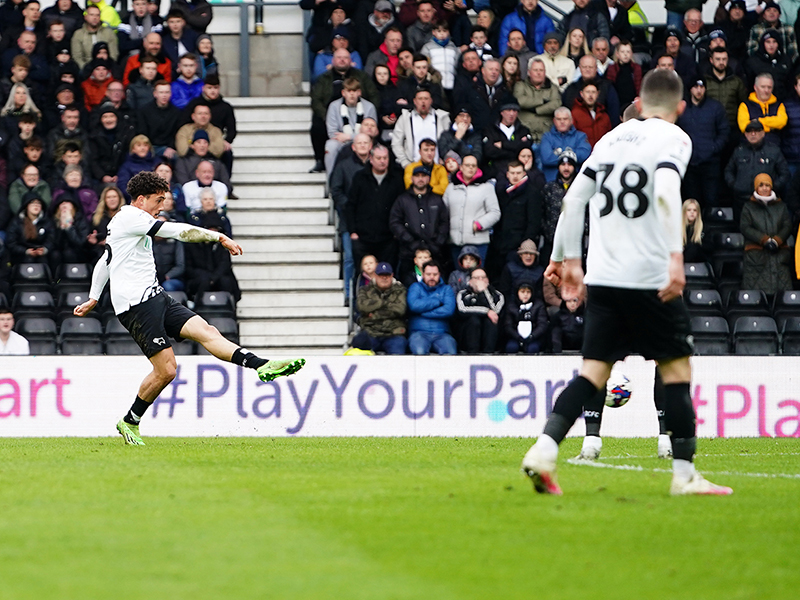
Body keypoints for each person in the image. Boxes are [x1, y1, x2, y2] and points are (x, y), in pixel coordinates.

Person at [521, 69, 733, 496]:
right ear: (679, 107)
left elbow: (572, 200)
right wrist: (676, 258)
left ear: (638, 100)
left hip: (603, 277)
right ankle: (684, 475)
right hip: (649, 276)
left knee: (592, 373)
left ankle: (544, 450)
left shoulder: (610, 140)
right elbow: (668, 187)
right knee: (676, 371)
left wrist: (564, 260)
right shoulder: (673, 138)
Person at [72, 171, 305, 446]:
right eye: (159, 200)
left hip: (155, 296)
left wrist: (94, 297)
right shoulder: (131, 218)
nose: (162, 206)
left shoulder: (125, 221)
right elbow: (177, 231)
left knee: (206, 330)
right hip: (135, 305)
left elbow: (106, 260)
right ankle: (130, 420)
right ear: (141, 199)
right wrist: (217, 237)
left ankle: (262, 365)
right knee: (167, 370)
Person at [344, 145, 405, 274]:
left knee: (387, 274)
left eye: (385, 158)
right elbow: (350, 205)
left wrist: (396, 233)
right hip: (362, 238)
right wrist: (353, 231)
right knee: (363, 276)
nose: (382, 161)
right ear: (371, 159)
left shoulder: (397, 179)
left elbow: (402, 207)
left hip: (388, 239)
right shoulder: (360, 177)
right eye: (378, 158)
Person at [676, 77, 729, 206]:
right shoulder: (681, 108)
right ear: (690, 89)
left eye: (702, 87)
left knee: (712, 200)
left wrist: (713, 148)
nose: (699, 90)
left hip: (710, 163)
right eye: (696, 87)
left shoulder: (715, 107)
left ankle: (711, 226)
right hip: (688, 163)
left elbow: (724, 131)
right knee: (691, 203)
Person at [391, 163, 450, 278]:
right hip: (408, 252)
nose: (420, 179)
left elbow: (444, 223)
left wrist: (437, 243)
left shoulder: (437, 200)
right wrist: (409, 240)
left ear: (429, 179)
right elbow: (395, 222)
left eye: (423, 176)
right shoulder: (402, 200)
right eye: (417, 176)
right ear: (412, 178)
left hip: (434, 252)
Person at [724, 120, 790, 221]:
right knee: (740, 231)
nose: (753, 134)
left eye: (756, 131)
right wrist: (734, 185)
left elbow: (784, 173)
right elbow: (728, 170)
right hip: (741, 199)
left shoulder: (773, 151)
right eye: (749, 132)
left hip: (765, 201)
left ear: (763, 133)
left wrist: (772, 187)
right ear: (745, 134)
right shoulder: (739, 151)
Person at [443, 153, 501, 266]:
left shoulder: (486, 187)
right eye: (467, 165)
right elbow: (444, 211)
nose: (470, 168)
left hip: (478, 242)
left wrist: (478, 224)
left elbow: (495, 212)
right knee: (458, 277)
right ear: (461, 167)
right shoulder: (451, 188)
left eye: (473, 165)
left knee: (476, 276)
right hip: (455, 241)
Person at [741, 173, 794, 295]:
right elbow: (745, 227)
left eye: (767, 185)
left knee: (782, 299)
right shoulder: (748, 207)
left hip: (779, 256)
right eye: (761, 185)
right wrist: (764, 240)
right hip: (756, 259)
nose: (764, 188)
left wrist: (777, 240)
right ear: (756, 188)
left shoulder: (781, 206)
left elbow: (787, 225)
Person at [351, 262, 408, 355]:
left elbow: (400, 309)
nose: (384, 278)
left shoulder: (400, 289)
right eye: (381, 275)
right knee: (359, 350)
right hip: (370, 332)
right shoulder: (365, 290)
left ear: (392, 275)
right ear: (375, 275)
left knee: (398, 357)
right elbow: (361, 307)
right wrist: (386, 304)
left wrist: (374, 314)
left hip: (393, 333)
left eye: (387, 275)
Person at [325, 77, 378, 175]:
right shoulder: (334, 106)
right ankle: (331, 183)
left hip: (363, 142)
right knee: (330, 146)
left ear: (359, 93)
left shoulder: (369, 107)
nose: (352, 94)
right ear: (343, 93)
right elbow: (332, 133)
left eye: (355, 91)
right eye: (349, 91)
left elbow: (371, 132)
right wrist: (351, 137)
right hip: (341, 142)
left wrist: (349, 137)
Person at [407, 260, 457, 355]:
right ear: (423, 274)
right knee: (419, 352)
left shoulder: (446, 289)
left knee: (450, 353)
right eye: (428, 274)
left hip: (442, 334)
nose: (432, 277)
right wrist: (437, 301)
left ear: (440, 275)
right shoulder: (415, 287)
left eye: (435, 274)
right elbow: (414, 306)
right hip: (418, 333)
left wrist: (422, 312)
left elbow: (448, 310)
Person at [514, 57, 561, 149]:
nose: (538, 73)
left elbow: (556, 104)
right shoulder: (520, 85)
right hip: (525, 135)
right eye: (535, 70)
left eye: (541, 70)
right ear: (529, 72)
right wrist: (543, 101)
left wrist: (536, 110)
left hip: (546, 136)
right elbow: (520, 100)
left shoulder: (553, 88)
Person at [455, 267, 504, 353]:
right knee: (474, 320)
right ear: (470, 281)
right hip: (468, 337)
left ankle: (488, 353)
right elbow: (462, 310)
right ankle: (472, 353)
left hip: (490, 337)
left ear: (488, 280)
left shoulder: (498, 295)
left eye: (483, 277)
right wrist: (486, 311)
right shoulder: (462, 294)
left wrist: (484, 292)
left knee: (490, 321)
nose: (480, 280)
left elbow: (495, 312)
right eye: (477, 278)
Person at [482, 99, 533, 177]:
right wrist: (515, 149)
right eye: (508, 110)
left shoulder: (523, 130)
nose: (512, 114)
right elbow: (489, 152)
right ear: (501, 112)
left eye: (515, 111)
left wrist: (503, 145)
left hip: (518, 173)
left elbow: (526, 148)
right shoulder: (490, 130)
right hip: (495, 172)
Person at [539, 107, 591, 181]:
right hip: (552, 181)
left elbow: (584, 155)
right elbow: (546, 159)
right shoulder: (547, 137)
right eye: (559, 119)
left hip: (576, 181)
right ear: (554, 121)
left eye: (565, 119)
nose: (562, 122)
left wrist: (559, 152)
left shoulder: (581, 136)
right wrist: (571, 153)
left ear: (571, 120)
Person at [737, 73, 787, 146]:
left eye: (769, 87)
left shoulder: (779, 105)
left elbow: (782, 122)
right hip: (750, 149)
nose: (766, 90)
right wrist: (770, 128)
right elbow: (744, 127)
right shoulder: (745, 105)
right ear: (755, 87)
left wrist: (758, 121)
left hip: (774, 148)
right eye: (763, 87)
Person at [503, 280, 547, 353]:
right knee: (511, 347)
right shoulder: (511, 306)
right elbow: (508, 325)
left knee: (533, 348)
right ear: (517, 293)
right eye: (522, 292)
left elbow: (542, 324)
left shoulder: (538, 305)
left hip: (533, 337)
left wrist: (532, 336)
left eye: (528, 292)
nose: (525, 295)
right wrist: (517, 337)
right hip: (516, 337)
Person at [70, 5, 118, 69]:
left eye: (97, 15)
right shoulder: (78, 34)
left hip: (106, 68)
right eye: (92, 15)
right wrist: (87, 69)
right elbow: (77, 57)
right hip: (85, 69)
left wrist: (103, 69)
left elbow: (113, 55)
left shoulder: (109, 33)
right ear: (86, 17)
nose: (95, 17)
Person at [570, 80, 611, 148]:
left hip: (601, 154)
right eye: (587, 92)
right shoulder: (574, 114)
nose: (590, 95)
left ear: (598, 94)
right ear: (581, 94)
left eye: (593, 92)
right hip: (583, 155)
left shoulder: (604, 116)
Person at [682, 198, 709, 263]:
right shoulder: (677, 228)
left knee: (693, 247)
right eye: (689, 210)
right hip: (682, 261)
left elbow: (709, 247)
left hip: (698, 261)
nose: (692, 212)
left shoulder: (704, 228)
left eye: (695, 210)